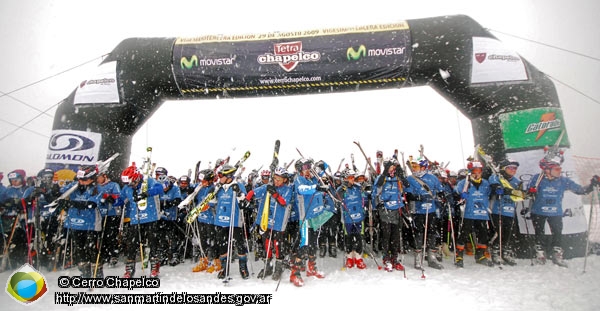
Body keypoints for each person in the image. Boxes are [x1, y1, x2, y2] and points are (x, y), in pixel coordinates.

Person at [526, 154, 599, 267]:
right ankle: (540, 254)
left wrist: (591, 185)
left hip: (555, 213)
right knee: (539, 234)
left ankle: (557, 255)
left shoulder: (563, 181)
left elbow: (580, 190)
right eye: (557, 169)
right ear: (548, 170)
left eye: (560, 169)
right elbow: (527, 193)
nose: (559, 171)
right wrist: (531, 191)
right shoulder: (538, 178)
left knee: (557, 234)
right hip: (538, 211)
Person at [244, 167, 293, 281]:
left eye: (279, 179)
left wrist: (275, 194)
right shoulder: (268, 187)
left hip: (279, 222)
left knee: (277, 244)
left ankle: (278, 267)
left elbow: (283, 202)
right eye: (275, 178)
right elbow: (253, 192)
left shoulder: (287, 189)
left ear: (285, 180)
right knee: (267, 242)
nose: (276, 181)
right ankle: (268, 265)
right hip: (266, 220)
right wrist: (246, 199)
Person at [116, 163, 164, 278]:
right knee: (132, 244)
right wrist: (113, 200)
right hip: (135, 218)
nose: (130, 185)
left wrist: (145, 194)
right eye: (128, 183)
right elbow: (121, 199)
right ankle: (129, 269)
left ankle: (154, 267)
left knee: (153, 242)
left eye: (132, 182)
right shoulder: (127, 188)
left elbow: (159, 188)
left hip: (150, 217)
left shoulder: (148, 181)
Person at [290, 158, 332, 286]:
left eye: (309, 166)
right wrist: (317, 187)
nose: (307, 169)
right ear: (299, 170)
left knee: (314, 244)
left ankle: (311, 268)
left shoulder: (312, 177)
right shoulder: (299, 179)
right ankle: (295, 273)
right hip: (306, 218)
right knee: (305, 245)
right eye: (304, 167)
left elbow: (325, 166)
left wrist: (320, 164)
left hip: (316, 216)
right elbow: (302, 189)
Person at [58, 165, 103, 278]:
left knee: (91, 248)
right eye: (79, 179)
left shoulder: (97, 189)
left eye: (84, 180)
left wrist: (71, 203)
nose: (81, 182)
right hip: (74, 222)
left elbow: (91, 204)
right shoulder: (74, 185)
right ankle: (85, 271)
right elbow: (60, 193)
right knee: (79, 248)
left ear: (92, 179)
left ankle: (97, 271)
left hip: (90, 223)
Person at [405, 157, 444, 270]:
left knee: (432, 232)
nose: (414, 169)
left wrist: (441, 195)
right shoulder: (410, 178)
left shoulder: (432, 178)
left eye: (416, 166)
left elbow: (440, 190)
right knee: (418, 233)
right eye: (413, 167)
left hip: (430, 209)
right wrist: (418, 197)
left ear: (424, 167)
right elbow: (408, 195)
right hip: (417, 210)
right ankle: (418, 258)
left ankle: (432, 257)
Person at [212, 164, 250, 280]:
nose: (219, 178)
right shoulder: (219, 187)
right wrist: (211, 193)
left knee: (239, 244)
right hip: (221, 220)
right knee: (222, 246)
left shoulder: (238, 185)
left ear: (228, 176)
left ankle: (243, 267)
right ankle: (224, 268)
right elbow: (212, 202)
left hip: (234, 220)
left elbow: (245, 203)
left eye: (221, 175)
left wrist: (239, 193)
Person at [454, 160, 494, 267]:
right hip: (469, 213)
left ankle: (480, 255)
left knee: (483, 234)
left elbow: (491, 193)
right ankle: (459, 255)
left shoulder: (486, 183)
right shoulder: (464, 182)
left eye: (479, 171)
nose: (476, 173)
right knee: (464, 234)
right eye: (474, 171)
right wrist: (460, 195)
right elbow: (456, 192)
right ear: (470, 172)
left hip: (482, 213)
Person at [372, 158, 407, 272]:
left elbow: (407, 185)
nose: (393, 169)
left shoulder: (397, 178)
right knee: (386, 235)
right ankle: (386, 257)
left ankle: (395, 258)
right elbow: (376, 189)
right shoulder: (382, 178)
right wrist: (377, 206)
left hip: (397, 209)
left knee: (395, 236)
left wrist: (401, 175)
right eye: (391, 166)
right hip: (386, 210)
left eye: (394, 167)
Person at [488, 159, 521, 266]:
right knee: (499, 232)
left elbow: (520, 194)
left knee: (508, 233)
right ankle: (495, 251)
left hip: (510, 211)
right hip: (497, 210)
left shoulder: (516, 181)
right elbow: (494, 187)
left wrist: (525, 193)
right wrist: (498, 188)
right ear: (503, 168)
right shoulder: (496, 177)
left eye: (515, 168)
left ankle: (505, 252)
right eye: (510, 168)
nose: (513, 170)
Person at [0, 169, 32, 270]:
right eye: (12, 180)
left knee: (19, 240)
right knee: (6, 239)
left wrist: (21, 203)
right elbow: (2, 200)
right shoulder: (8, 190)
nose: (14, 182)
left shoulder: (27, 189)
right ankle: (7, 260)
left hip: (21, 219)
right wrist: (6, 204)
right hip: (8, 218)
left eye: (16, 180)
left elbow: (28, 201)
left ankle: (19, 259)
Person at [336, 168, 367, 269]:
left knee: (359, 237)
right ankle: (349, 257)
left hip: (358, 217)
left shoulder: (358, 187)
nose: (352, 179)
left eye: (353, 177)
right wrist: (342, 189)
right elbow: (337, 198)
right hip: (347, 218)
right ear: (345, 179)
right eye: (350, 177)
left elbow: (365, 196)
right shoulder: (341, 189)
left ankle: (358, 257)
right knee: (348, 238)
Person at [191, 169, 219, 273]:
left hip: (211, 219)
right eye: (200, 180)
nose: (201, 182)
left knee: (213, 241)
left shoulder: (214, 189)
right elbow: (193, 196)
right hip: (201, 218)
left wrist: (199, 208)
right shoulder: (199, 188)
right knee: (202, 241)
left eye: (204, 180)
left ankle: (216, 262)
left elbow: (209, 204)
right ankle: (204, 260)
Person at [95, 170, 121, 268]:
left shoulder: (113, 185)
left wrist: (110, 198)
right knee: (100, 235)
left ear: (104, 176)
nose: (97, 179)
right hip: (99, 214)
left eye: (99, 177)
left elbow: (118, 196)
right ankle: (103, 254)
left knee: (110, 235)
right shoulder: (96, 186)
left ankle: (113, 254)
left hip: (111, 213)